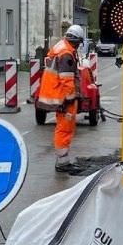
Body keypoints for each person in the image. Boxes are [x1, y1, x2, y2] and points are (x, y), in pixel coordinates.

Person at [37, 25, 84, 174]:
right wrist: (70, 98)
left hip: (56, 95)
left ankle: (63, 160)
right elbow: (66, 79)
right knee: (64, 129)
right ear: (77, 41)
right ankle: (62, 163)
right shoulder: (66, 54)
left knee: (63, 128)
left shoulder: (60, 47)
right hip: (63, 98)